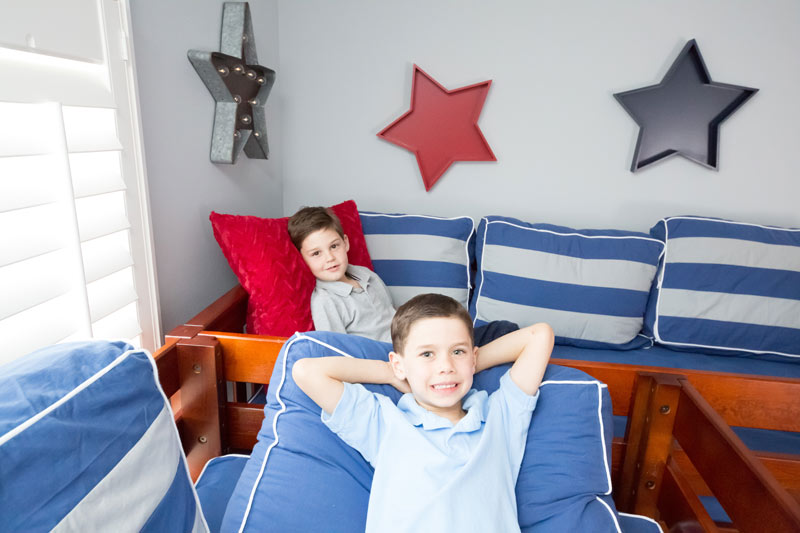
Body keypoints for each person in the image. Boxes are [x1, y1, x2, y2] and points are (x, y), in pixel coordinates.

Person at [292, 293, 554, 532]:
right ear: (399, 363)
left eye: (458, 351)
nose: (445, 366)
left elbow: (539, 336)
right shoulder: (385, 423)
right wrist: (391, 373)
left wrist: (467, 366)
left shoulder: (501, 417)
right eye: (427, 354)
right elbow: (307, 371)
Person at [288, 206, 395, 342]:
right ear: (303, 260)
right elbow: (337, 350)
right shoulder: (325, 301)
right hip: (381, 358)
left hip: (407, 341)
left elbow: (392, 313)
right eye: (316, 253)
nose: (330, 257)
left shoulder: (367, 275)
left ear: (345, 243)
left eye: (334, 246)